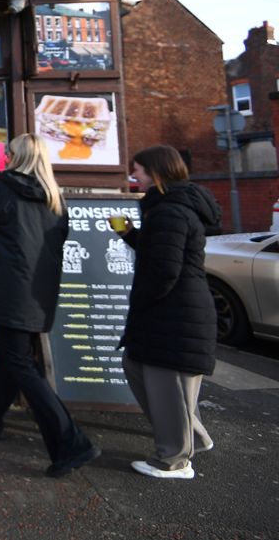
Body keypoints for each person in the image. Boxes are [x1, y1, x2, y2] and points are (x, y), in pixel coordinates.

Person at [0, 133, 99, 477]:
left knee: (21, 362)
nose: (5, 158)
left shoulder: (1, 189)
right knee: (14, 354)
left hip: (8, 290)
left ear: (17, 157)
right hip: (38, 292)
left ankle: (71, 443)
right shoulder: (53, 197)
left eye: (9, 153)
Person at [110, 145, 220, 480]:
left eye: (138, 169)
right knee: (138, 367)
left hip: (175, 313)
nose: (134, 176)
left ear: (156, 172)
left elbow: (164, 270)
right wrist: (130, 235)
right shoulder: (168, 207)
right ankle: (193, 439)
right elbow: (162, 252)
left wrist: (142, 301)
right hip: (175, 310)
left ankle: (173, 461)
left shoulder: (169, 211)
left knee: (169, 385)